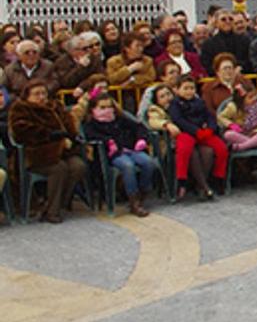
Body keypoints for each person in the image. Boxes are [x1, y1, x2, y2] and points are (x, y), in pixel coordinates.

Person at [8, 81, 87, 223]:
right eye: (36, 94)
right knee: (59, 168)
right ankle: (52, 212)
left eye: (44, 93)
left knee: (78, 165)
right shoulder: (21, 109)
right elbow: (22, 132)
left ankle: (55, 204)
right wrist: (53, 136)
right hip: (35, 153)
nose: (41, 97)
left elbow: (69, 126)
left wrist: (71, 137)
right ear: (27, 96)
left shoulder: (56, 106)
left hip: (61, 151)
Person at [81, 92, 158, 217]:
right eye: (102, 107)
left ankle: (143, 192)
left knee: (148, 162)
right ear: (93, 109)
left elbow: (139, 127)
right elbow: (90, 135)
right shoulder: (91, 124)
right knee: (128, 166)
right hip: (111, 155)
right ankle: (134, 201)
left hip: (130, 149)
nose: (107, 110)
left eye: (109, 107)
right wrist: (108, 141)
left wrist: (141, 139)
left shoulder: (120, 118)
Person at [168, 76, 229, 199]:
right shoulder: (175, 104)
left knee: (221, 148)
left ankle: (218, 177)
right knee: (184, 150)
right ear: (177, 90)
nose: (189, 91)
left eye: (191, 88)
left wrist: (210, 129)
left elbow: (209, 116)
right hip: (186, 132)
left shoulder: (199, 102)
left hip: (202, 131)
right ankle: (182, 180)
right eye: (185, 88)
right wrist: (195, 131)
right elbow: (179, 120)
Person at [217, 77, 257, 152]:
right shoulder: (233, 107)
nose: (254, 98)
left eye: (255, 95)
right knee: (228, 135)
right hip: (242, 132)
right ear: (241, 99)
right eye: (250, 97)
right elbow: (221, 117)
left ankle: (242, 147)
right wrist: (231, 124)